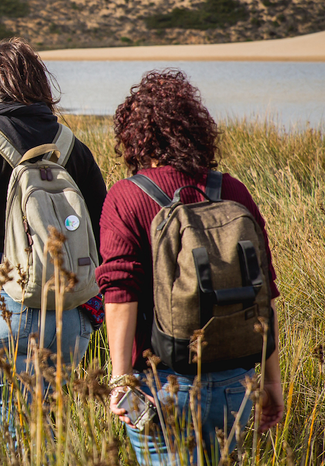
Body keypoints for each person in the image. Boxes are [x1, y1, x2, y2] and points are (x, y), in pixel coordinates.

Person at [97, 69, 284, 465]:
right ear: (196, 129)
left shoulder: (126, 197)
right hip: (236, 384)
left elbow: (120, 294)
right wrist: (272, 381)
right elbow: (264, 293)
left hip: (160, 386)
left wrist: (120, 379)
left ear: (135, 135)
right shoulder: (231, 190)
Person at [0, 38, 107, 433]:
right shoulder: (72, 146)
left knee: (12, 434)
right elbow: (102, 232)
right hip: (68, 314)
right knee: (47, 430)